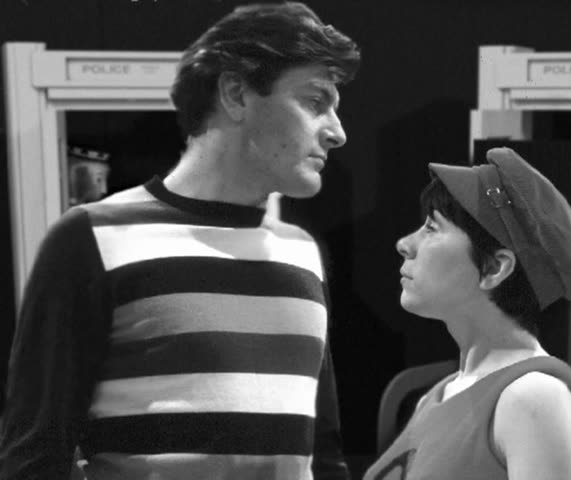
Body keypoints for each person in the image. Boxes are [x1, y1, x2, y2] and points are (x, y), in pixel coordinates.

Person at [0, 3, 360, 479]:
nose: (337, 132)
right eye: (315, 102)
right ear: (236, 93)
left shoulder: (301, 252)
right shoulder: (92, 237)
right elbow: (34, 457)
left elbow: (323, 455)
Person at [364, 147, 571, 480]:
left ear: (494, 268)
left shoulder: (533, 398)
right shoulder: (436, 396)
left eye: (432, 227)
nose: (405, 243)